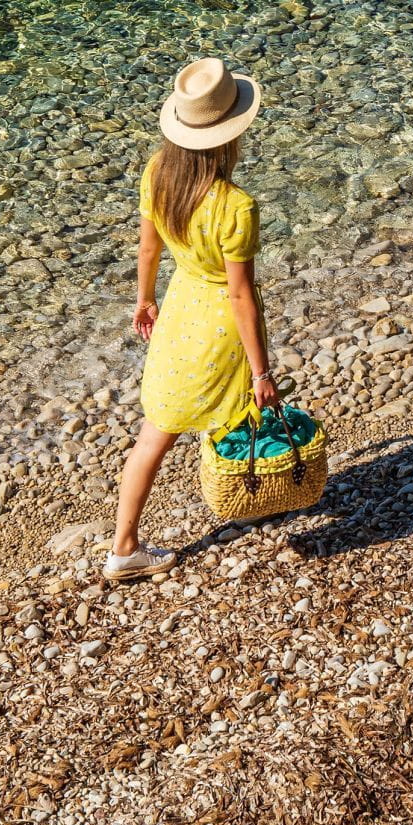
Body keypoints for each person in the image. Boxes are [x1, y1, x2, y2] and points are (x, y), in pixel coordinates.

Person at [104, 57, 278, 582]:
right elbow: (241, 295)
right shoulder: (235, 206)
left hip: (181, 309)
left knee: (157, 428)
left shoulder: (158, 174)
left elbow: (148, 246)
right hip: (220, 322)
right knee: (217, 415)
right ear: (231, 134)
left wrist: (144, 299)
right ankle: (251, 492)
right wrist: (264, 372)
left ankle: (129, 541)